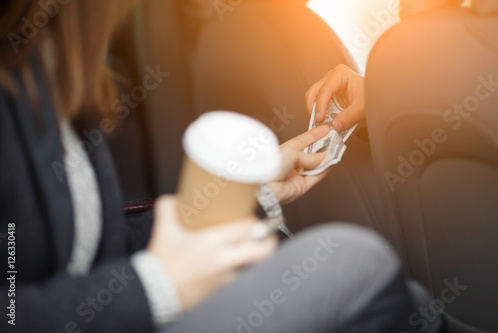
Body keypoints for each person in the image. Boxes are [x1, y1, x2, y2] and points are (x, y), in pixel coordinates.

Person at [0, 1, 440, 332]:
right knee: (358, 262)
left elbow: (87, 247)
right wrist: (156, 283)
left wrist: (252, 195)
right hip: (132, 308)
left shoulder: (47, 71)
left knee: (416, 303)